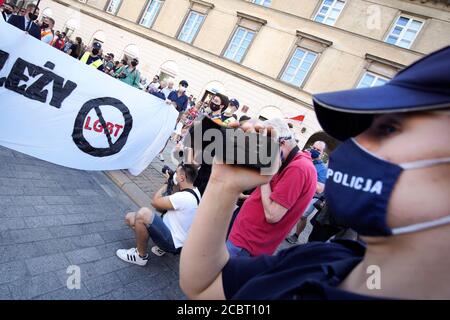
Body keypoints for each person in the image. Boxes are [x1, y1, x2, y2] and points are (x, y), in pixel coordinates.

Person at [179, 46, 450, 300]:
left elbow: (275, 213)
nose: (357, 149)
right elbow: (200, 288)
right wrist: (223, 184)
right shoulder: (323, 260)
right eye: (358, 134)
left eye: (388, 130)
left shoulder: (300, 170)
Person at [226, 118, 317, 257]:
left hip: (248, 244)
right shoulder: (289, 162)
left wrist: (266, 172)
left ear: (282, 142)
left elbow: (273, 215)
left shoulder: (299, 168)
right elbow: (275, 197)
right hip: (244, 238)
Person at [116, 164, 201, 265]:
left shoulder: (183, 197)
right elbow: (162, 208)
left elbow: (155, 202)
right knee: (129, 217)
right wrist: (172, 184)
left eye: (176, 173)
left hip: (172, 242)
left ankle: (140, 256)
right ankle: (160, 247)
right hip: (178, 239)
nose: (174, 175)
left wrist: (167, 182)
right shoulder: (195, 192)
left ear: (182, 178)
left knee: (143, 213)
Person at [286, 140, 328, 244]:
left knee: (302, 216)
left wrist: (306, 177)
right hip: (295, 192)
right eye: (314, 148)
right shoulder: (303, 157)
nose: (315, 151)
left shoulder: (322, 169)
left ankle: (296, 235)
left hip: (311, 197)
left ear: (322, 153)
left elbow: (320, 189)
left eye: (318, 150)